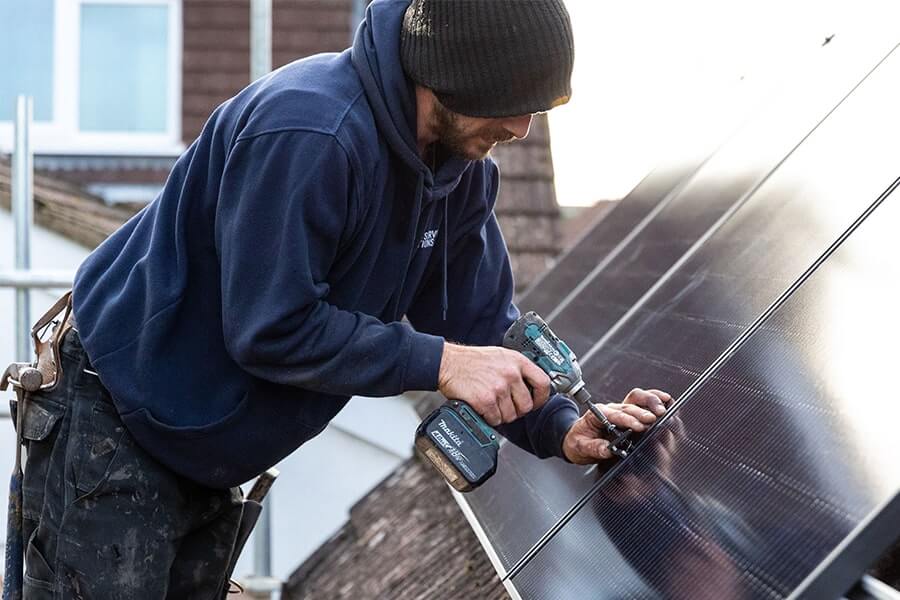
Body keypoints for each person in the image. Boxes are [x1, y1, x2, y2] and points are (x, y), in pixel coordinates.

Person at [16, 0, 670, 597]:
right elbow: (272, 327)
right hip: (115, 423)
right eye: (511, 102)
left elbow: (478, 327)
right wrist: (441, 362)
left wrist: (562, 426)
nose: (522, 128)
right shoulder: (310, 133)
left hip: (202, 450)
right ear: (452, 74)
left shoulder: (459, 171)